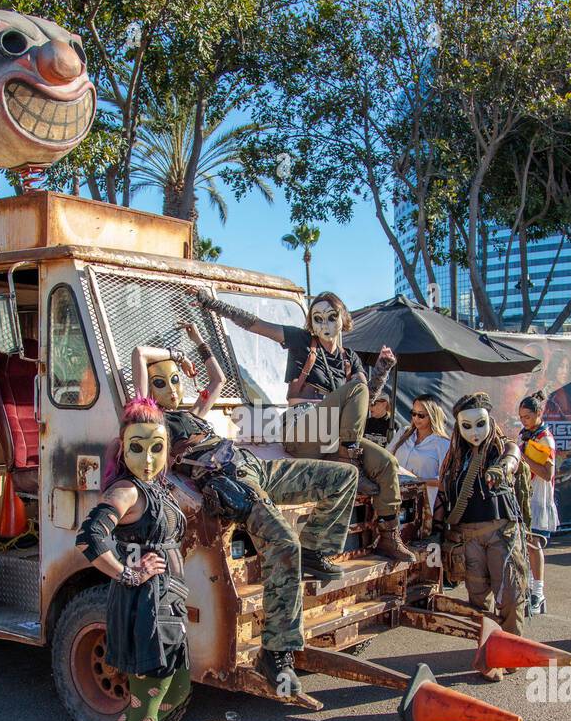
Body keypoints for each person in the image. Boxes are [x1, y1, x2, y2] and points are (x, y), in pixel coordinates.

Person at [131, 313, 358, 699]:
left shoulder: (193, 414)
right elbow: (139, 354)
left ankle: (317, 548)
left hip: (252, 464)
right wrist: (173, 354)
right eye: (161, 382)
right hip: (231, 479)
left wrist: (197, 342)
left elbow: (217, 379)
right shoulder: (152, 423)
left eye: (175, 379)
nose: (172, 388)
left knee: (342, 477)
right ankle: (277, 652)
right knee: (283, 544)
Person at [197, 290, 414, 562]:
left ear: (343, 319)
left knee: (387, 463)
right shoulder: (302, 341)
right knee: (357, 391)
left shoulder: (350, 358)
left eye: (331, 317)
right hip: (302, 429)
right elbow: (255, 324)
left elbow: (365, 402)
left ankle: (389, 537)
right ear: (311, 323)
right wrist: (212, 303)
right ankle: (351, 464)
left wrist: (382, 369)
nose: (325, 324)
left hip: (333, 438)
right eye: (318, 318)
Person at [76, 397, 198, 721]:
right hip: (144, 606)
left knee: (176, 689)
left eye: (156, 447)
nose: (148, 459)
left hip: (167, 602)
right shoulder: (127, 491)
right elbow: (90, 538)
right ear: (123, 448)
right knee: (149, 698)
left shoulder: (156, 485)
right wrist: (128, 573)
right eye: (137, 448)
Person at [437, 392, 528, 636]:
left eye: (480, 424)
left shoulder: (500, 447)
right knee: (477, 601)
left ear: (490, 421)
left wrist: (502, 469)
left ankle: (511, 647)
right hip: (468, 536)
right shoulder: (455, 457)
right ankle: (489, 647)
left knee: (510, 595)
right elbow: (443, 493)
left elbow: (513, 456)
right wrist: (436, 532)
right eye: (467, 426)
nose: (475, 432)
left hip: (501, 533)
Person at [518, 391, 558, 615]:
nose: (524, 421)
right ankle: (529, 589)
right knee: (525, 544)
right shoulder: (526, 434)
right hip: (524, 494)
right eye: (521, 417)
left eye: (527, 416)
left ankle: (538, 592)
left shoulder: (544, 438)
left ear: (539, 413)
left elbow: (547, 473)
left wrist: (523, 457)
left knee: (534, 544)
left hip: (538, 497)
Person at [390, 396, 451, 514]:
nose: (416, 418)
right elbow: (387, 457)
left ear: (433, 415)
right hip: (394, 499)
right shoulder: (403, 433)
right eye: (413, 413)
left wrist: (417, 481)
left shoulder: (443, 443)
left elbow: (445, 482)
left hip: (421, 507)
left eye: (421, 415)